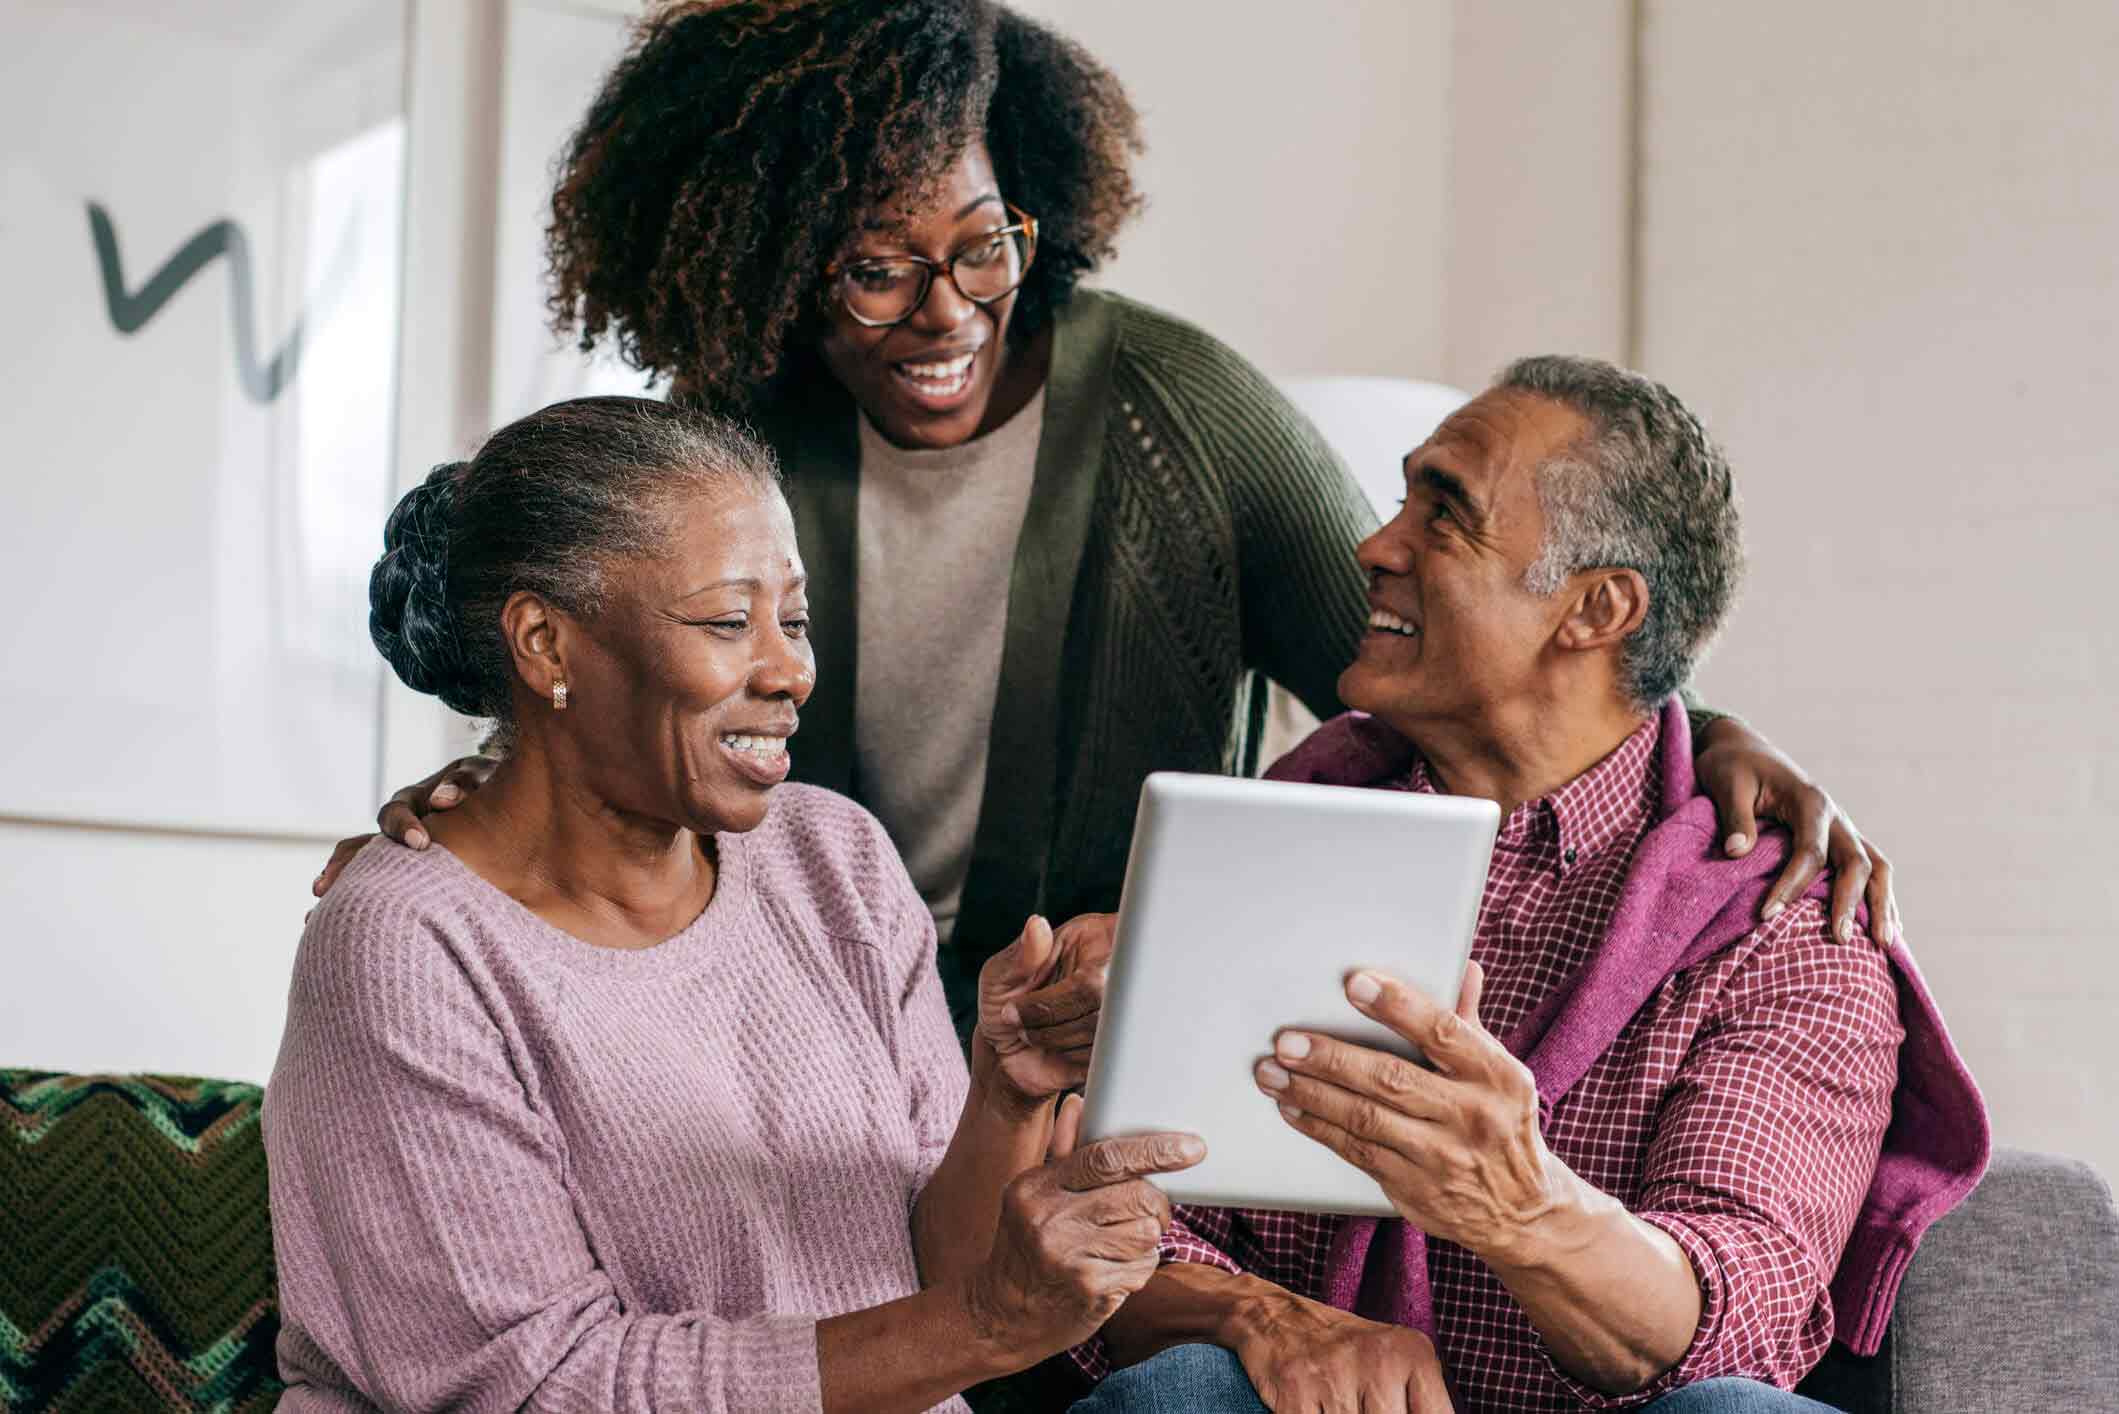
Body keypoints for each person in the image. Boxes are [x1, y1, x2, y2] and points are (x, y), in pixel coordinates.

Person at [315, 0, 1896, 1031]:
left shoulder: (1181, 412)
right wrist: (481, 800)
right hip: (788, 1046)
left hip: (1092, 1053)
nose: (946, 312)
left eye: (983, 245)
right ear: (778, 260)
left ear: (1038, 213)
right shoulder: (723, 447)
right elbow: (605, 690)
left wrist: (1701, 729)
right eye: (874, 266)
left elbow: (1445, 658)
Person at [1063, 358, 1988, 1413]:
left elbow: (1746, 1308)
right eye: (1400, 497)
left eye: (1443, 513)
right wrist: (1256, 1316)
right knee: (1179, 1391)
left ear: (1595, 609)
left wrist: (1517, 1206)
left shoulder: (1782, 923)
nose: (1374, 547)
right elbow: (1121, 1219)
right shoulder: (1277, 835)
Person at [265, 396, 1208, 1413]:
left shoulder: (830, 856)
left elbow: (937, 1281)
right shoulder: (408, 945)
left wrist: (1004, 1098)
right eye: (726, 621)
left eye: (792, 619)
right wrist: (981, 1324)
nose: (790, 669)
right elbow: (539, 1388)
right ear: (544, 645)